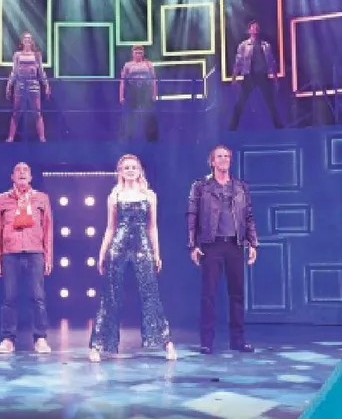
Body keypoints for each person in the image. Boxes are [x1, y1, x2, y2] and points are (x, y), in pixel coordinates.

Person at [88, 154, 177, 362]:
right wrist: (102, 253)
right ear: (120, 172)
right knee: (110, 295)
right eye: (126, 167)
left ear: (139, 171)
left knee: (150, 294)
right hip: (118, 246)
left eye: (133, 167)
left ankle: (166, 343)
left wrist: (156, 253)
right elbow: (110, 228)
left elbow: (152, 227)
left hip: (142, 245)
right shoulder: (115, 196)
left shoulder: (149, 195)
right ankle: (97, 345)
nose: (130, 170)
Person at [187, 145, 258, 354]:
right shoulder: (201, 186)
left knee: (237, 294)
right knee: (208, 295)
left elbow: (248, 216)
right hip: (212, 245)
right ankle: (206, 342)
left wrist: (253, 243)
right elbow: (192, 216)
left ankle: (238, 340)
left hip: (235, 244)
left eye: (227, 156)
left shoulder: (240, 187)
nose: (224, 159)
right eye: (220, 156)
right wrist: (193, 244)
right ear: (212, 161)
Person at [0, 162, 53, 354]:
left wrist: (48, 256)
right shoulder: (1, 199)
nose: (22, 173)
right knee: (10, 297)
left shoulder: (41, 198)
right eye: (18, 170)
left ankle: (40, 338)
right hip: (10, 253)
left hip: (35, 252)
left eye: (26, 170)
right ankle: (8, 339)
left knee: (38, 297)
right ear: (12, 176)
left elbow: (48, 229)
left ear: (31, 177)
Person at [229, 20, 283, 130]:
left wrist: (275, 78)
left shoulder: (266, 45)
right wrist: (234, 77)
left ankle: (278, 126)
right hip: (249, 75)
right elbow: (238, 62)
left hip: (262, 75)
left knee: (270, 102)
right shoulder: (243, 45)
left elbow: (271, 62)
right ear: (249, 30)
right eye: (253, 27)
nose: (255, 29)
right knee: (240, 102)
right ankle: (232, 127)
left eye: (257, 27)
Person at [6, 32, 50, 142]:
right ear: (22, 41)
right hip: (20, 84)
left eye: (29, 38)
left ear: (32, 41)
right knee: (16, 113)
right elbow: (14, 71)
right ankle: (11, 137)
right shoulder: (17, 55)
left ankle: (42, 138)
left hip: (33, 84)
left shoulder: (36, 55)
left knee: (37, 112)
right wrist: (9, 85)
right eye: (25, 38)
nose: (27, 40)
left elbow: (41, 71)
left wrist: (46, 85)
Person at [119, 45, 158, 141]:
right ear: (133, 53)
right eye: (136, 53)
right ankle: (128, 136)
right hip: (132, 91)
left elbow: (154, 80)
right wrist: (121, 96)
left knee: (148, 113)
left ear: (143, 53)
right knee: (130, 115)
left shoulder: (148, 64)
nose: (138, 55)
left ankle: (151, 136)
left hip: (145, 91)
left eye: (140, 53)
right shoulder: (128, 65)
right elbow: (122, 81)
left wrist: (154, 94)